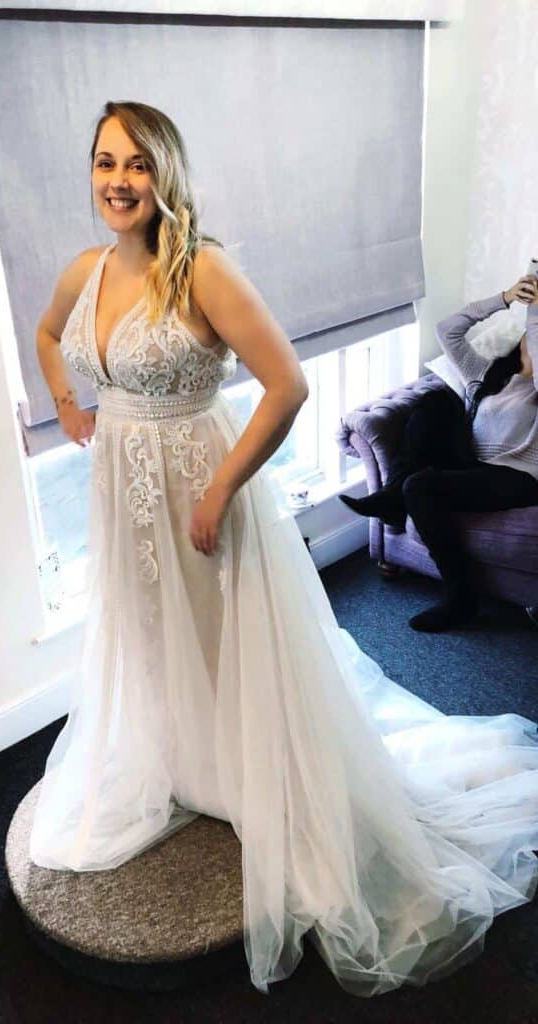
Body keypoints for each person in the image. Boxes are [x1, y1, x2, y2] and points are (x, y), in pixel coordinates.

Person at [29, 101, 538, 997]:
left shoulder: (203, 269)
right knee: (149, 629)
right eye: (105, 162)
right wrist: (69, 405)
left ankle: (249, 767)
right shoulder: (86, 269)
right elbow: (48, 333)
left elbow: (288, 385)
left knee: (221, 634)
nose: (118, 180)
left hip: (199, 482)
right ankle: (182, 753)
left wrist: (220, 490)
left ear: (166, 172)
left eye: (137, 163)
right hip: (121, 488)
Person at [340, 277, 538, 632]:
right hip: (474, 465)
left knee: (420, 487)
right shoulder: (489, 376)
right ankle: (393, 496)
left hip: (517, 478)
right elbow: (447, 330)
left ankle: (461, 599)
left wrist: (536, 308)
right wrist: (506, 298)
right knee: (433, 403)